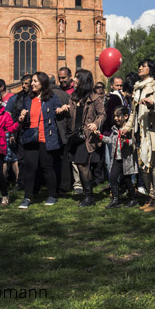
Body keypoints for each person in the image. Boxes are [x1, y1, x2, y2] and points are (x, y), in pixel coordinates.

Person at [122, 59, 155, 212]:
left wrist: (151, 105)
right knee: (143, 166)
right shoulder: (137, 87)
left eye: (144, 66)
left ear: (151, 69)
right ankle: (150, 196)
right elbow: (133, 113)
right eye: (139, 65)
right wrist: (127, 127)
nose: (140, 67)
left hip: (153, 130)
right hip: (139, 131)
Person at [16, 72, 67, 209]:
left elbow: (58, 109)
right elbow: (23, 116)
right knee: (30, 168)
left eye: (34, 81)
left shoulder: (51, 98)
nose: (32, 84)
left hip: (46, 137)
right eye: (32, 81)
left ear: (42, 83)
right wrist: (22, 116)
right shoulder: (28, 99)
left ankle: (51, 195)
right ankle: (27, 197)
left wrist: (62, 109)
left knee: (47, 167)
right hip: (31, 138)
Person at [68, 69, 105, 207]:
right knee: (79, 164)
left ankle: (89, 196)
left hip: (87, 137)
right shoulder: (73, 97)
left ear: (83, 80)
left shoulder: (95, 98)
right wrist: (64, 110)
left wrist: (95, 124)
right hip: (75, 136)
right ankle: (88, 195)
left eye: (77, 77)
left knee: (82, 164)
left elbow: (102, 114)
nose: (74, 79)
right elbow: (71, 116)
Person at [100, 106, 138, 208]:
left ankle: (133, 199)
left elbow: (134, 142)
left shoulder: (130, 129)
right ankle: (115, 199)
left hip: (126, 160)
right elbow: (110, 141)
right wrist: (100, 137)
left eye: (118, 116)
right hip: (117, 158)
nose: (116, 118)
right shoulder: (115, 129)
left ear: (126, 116)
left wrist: (126, 141)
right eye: (115, 116)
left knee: (127, 180)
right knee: (112, 178)